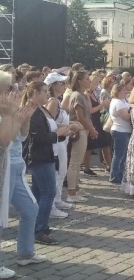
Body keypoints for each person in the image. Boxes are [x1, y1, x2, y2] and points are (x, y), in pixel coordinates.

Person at [0, 74, 46, 279]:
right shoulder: (4, 112)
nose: (18, 92)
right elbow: (4, 141)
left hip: (16, 167)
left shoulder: (11, 110)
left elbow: (23, 136)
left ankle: (26, 253)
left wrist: (24, 119)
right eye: (13, 88)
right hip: (4, 169)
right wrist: (15, 118)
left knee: (30, 208)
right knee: (1, 219)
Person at [23, 82, 70, 244]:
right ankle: (40, 230)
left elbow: (50, 130)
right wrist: (58, 134)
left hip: (47, 154)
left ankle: (35, 227)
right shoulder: (34, 110)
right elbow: (38, 137)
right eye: (43, 91)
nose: (46, 94)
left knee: (38, 193)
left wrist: (64, 130)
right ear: (35, 92)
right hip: (40, 157)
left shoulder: (42, 109)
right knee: (48, 192)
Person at [44, 72, 81, 219]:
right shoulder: (53, 101)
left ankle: (57, 199)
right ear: (53, 85)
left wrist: (70, 124)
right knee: (57, 173)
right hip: (57, 141)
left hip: (62, 140)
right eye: (60, 83)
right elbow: (49, 123)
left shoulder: (57, 100)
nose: (64, 85)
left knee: (62, 172)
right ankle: (52, 205)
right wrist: (68, 126)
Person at [67, 71, 95, 203]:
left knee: (78, 162)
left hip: (84, 130)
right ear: (79, 81)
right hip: (79, 130)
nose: (89, 81)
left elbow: (87, 116)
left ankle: (76, 188)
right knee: (75, 162)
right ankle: (71, 192)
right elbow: (80, 117)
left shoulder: (83, 95)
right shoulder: (77, 95)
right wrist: (92, 130)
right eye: (87, 79)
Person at [109, 83, 132, 184]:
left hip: (125, 130)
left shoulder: (123, 101)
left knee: (123, 156)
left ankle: (121, 174)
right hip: (120, 130)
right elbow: (126, 117)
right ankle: (114, 176)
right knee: (119, 155)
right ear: (117, 91)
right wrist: (132, 112)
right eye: (123, 90)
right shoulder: (117, 102)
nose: (125, 91)